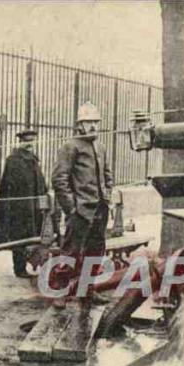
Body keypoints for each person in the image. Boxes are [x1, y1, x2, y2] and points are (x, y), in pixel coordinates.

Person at [51, 102, 114, 307]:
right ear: (80, 124)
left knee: (95, 252)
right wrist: (71, 208)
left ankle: (86, 290)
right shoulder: (71, 146)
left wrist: (107, 195)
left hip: (100, 209)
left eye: (96, 122)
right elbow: (59, 179)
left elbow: (107, 175)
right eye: (89, 122)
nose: (93, 126)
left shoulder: (101, 147)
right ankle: (59, 292)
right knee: (70, 252)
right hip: (80, 211)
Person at [0, 129, 49, 278]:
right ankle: (19, 268)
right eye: (26, 141)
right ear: (20, 142)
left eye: (32, 141)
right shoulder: (14, 160)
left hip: (33, 205)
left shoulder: (33, 159)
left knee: (32, 235)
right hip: (19, 208)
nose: (29, 144)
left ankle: (30, 263)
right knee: (20, 237)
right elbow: (9, 186)